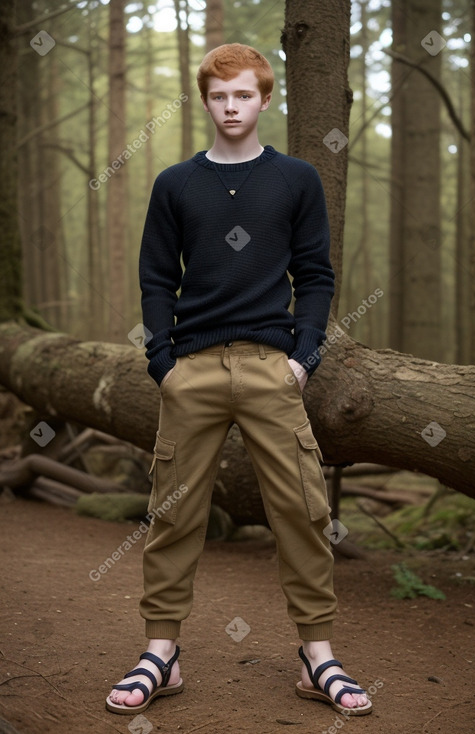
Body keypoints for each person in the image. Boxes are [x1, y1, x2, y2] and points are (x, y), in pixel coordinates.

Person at [106, 43, 372, 717]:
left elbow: (314, 276)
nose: (231, 106)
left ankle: (319, 658)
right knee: (171, 513)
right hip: (189, 369)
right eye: (219, 96)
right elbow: (156, 278)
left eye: (243, 95)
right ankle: (159, 654)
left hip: (268, 367)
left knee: (303, 512)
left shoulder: (296, 180)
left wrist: (301, 358)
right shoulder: (175, 184)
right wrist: (162, 366)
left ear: (264, 99)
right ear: (205, 102)